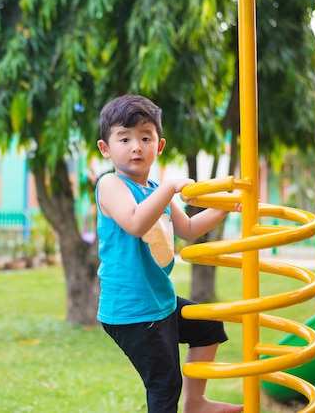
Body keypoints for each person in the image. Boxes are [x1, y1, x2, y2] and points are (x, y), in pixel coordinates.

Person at [95, 94, 243, 413]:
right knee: (164, 384)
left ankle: (196, 403)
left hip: (159, 301)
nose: (136, 146)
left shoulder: (152, 188)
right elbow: (135, 222)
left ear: (159, 146)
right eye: (125, 138)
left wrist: (225, 208)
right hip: (132, 311)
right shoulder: (110, 185)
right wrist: (170, 188)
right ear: (105, 148)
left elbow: (188, 228)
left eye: (146, 137)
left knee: (209, 326)